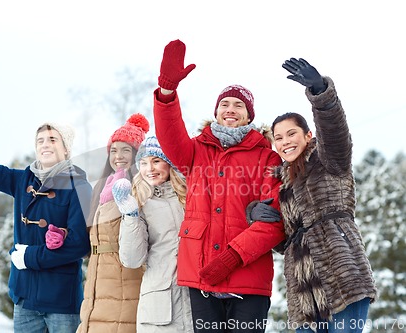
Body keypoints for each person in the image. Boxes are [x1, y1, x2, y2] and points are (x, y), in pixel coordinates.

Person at [153, 39, 286, 333]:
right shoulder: (196, 151)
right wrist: (166, 92)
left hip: (248, 275)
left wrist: (231, 258)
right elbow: (169, 134)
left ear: (249, 115)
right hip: (200, 274)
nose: (231, 109)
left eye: (239, 105)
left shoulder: (268, 157)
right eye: (224, 104)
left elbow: (275, 220)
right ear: (215, 112)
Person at [0, 90, 91, 333]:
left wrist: (29, 257)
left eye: (53, 139)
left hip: (62, 303)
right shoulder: (22, 181)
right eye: (40, 140)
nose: (45, 144)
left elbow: (79, 244)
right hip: (24, 300)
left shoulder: (80, 187)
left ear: (66, 149)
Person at [271, 58, 377, 332]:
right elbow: (284, 243)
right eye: (279, 138)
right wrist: (259, 216)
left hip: (342, 275)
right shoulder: (282, 186)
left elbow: (335, 132)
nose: (286, 142)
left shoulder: (329, 160)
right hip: (304, 292)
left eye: (291, 133)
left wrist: (320, 94)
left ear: (307, 135)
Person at [111, 136, 193, 333]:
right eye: (144, 163)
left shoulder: (191, 196)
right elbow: (132, 260)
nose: (150, 169)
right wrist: (131, 216)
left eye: (156, 161)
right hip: (160, 305)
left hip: (196, 300)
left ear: (169, 163)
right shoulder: (139, 202)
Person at [76, 113, 149, 333]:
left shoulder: (141, 187)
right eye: (114, 150)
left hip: (125, 283)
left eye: (126, 150)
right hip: (96, 283)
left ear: (137, 154)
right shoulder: (103, 187)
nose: (118, 156)